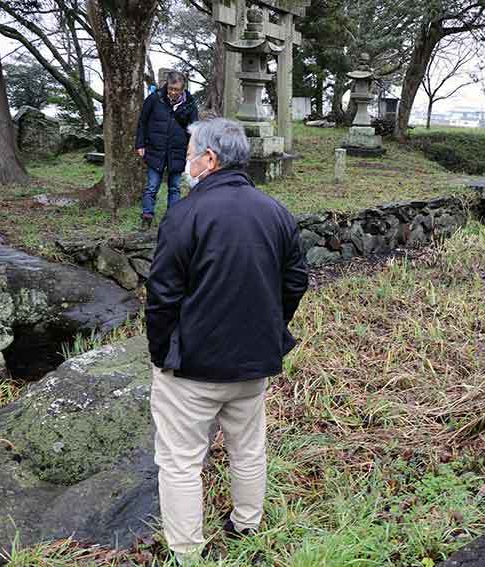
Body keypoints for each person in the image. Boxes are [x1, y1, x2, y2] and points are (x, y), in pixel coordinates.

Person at [145, 118, 308, 565]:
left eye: (191, 152)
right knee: (248, 445)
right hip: (255, 360)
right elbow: (295, 280)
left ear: (210, 159)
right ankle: (247, 524)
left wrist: (162, 352)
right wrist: (270, 326)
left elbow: (162, 295)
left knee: (180, 460)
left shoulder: (185, 214)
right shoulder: (275, 211)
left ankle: (186, 551)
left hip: (193, 365)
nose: (186, 161)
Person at [135, 70, 199, 231]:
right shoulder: (155, 99)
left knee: (174, 187)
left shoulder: (190, 104)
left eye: (176, 89)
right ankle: (147, 217)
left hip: (177, 151)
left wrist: (192, 151)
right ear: (167, 85)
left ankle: (173, 219)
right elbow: (142, 122)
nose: (173, 92)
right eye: (170, 88)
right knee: (152, 186)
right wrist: (140, 144)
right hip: (155, 148)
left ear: (183, 88)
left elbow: (195, 130)